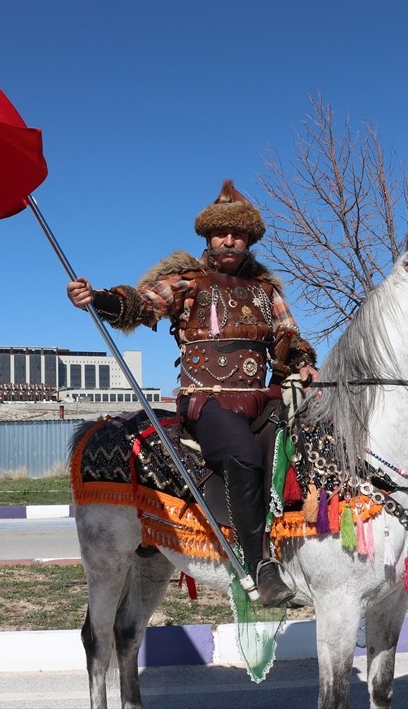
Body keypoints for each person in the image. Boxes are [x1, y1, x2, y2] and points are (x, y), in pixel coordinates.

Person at [67, 180, 318, 606]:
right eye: (221, 233)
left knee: (310, 446)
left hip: (264, 399)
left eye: (237, 234)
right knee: (242, 454)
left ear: (249, 239)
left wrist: (303, 363)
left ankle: (308, 553)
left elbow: (288, 336)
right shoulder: (187, 282)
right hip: (209, 401)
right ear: (207, 236)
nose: (229, 240)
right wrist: (101, 300)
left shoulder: (266, 290)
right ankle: (257, 564)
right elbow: (143, 304)